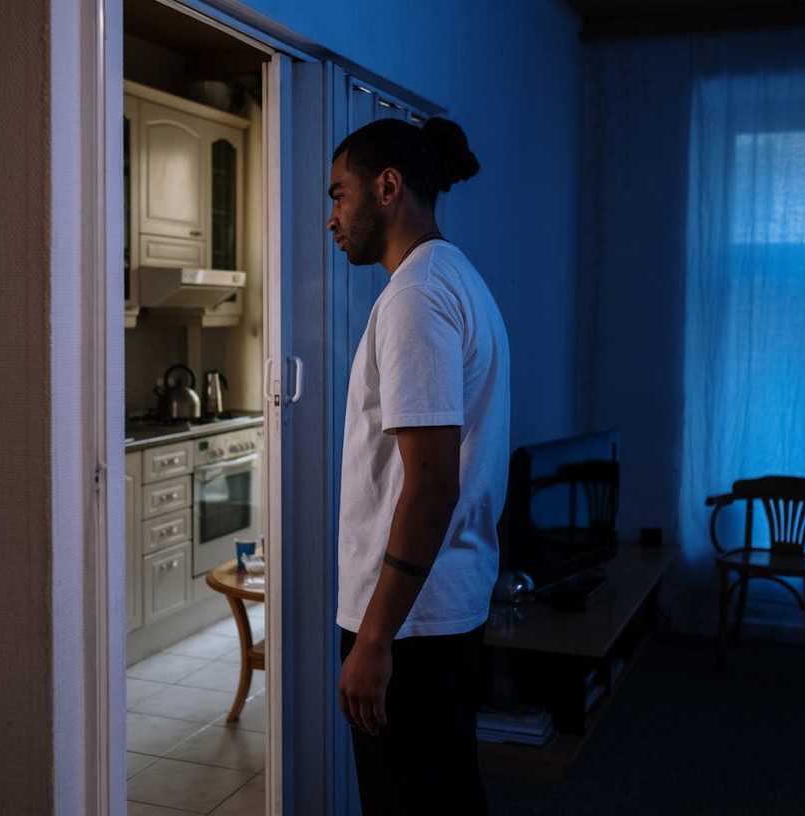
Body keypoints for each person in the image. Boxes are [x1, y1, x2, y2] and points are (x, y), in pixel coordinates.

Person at [328, 116, 510, 815]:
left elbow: (431, 485)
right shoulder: (455, 279)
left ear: (388, 187)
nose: (332, 218)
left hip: (409, 624)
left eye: (339, 195)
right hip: (436, 611)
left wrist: (374, 639)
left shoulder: (414, 298)